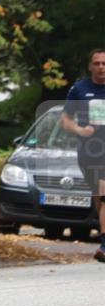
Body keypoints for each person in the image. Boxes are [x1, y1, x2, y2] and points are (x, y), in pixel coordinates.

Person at [60, 48, 105, 263]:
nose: (101, 67)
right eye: (97, 63)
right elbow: (65, 120)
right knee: (99, 197)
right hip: (90, 151)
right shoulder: (79, 89)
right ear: (90, 66)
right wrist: (80, 130)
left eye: (104, 63)